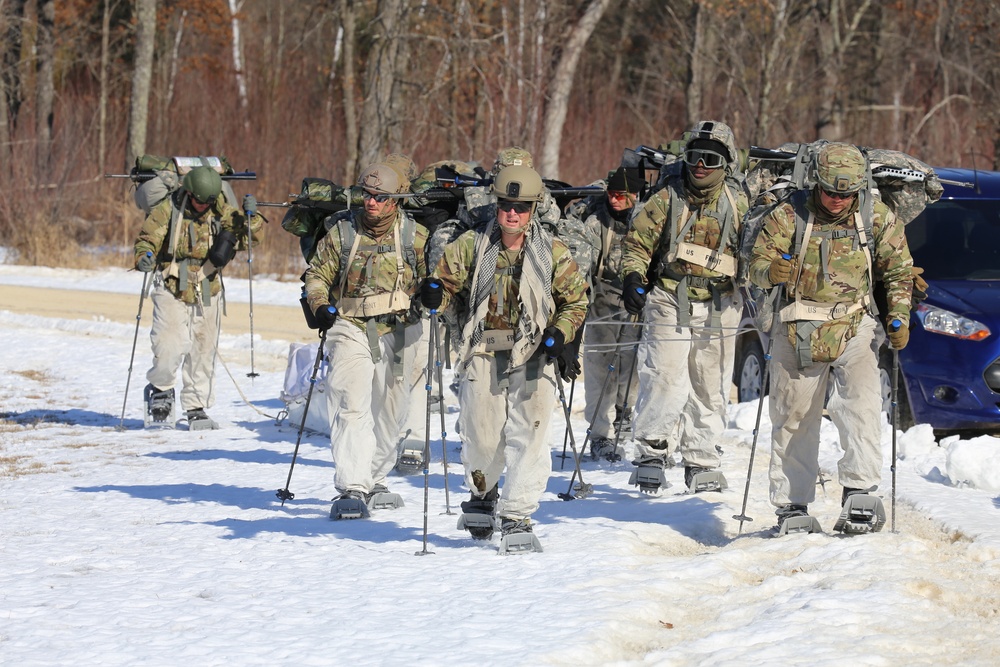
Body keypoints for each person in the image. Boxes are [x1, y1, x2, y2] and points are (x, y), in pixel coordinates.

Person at [420, 164, 588, 547]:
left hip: (534, 351)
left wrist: (559, 336)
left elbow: (576, 301)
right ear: (497, 205)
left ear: (533, 209)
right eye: (506, 205)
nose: (513, 214)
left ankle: (517, 514)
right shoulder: (472, 244)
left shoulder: (553, 252)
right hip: (484, 346)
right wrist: (433, 294)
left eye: (522, 207)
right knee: (482, 436)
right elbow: (445, 284)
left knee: (530, 434)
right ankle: (483, 493)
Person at [748, 142, 912, 532]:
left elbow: (898, 270)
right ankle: (792, 505)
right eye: (831, 192)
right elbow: (754, 266)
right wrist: (772, 272)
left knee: (863, 406)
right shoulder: (789, 215)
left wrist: (899, 315)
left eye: (847, 194)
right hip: (797, 325)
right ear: (816, 182)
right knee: (793, 416)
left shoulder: (876, 218)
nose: (838, 201)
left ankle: (860, 490)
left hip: (854, 324)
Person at [620, 120, 749, 493]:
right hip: (669, 296)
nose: (700, 166)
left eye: (710, 159)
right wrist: (633, 276)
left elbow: (758, 247)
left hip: (721, 301)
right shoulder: (667, 198)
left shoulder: (738, 203)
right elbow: (638, 242)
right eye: (694, 157)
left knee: (711, 384)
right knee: (663, 375)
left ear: (725, 164)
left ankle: (702, 455)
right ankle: (652, 450)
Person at [303, 161, 428, 518]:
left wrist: (434, 294)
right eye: (366, 195)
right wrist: (321, 305)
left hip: (401, 328)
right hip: (349, 324)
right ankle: (353, 486)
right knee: (350, 403)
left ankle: (374, 478)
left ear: (396, 201)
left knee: (391, 412)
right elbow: (316, 275)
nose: (370, 202)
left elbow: (436, 280)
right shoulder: (342, 233)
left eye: (379, 197)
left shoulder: (415, 237)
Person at [133, 165, 262, 429]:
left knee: (203, 350)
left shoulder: (221, 208)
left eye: (208, 201)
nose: (203, 206)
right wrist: (143, 257)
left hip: (208, 285)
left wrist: (252, 217)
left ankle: (196, 405)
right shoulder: (169, 208)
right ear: (188, 191)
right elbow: (147, 239)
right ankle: (160, 390)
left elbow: (250, 238)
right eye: (198, 200)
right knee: (169, 344)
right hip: (172, 283)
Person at [560, 166, 647, 461]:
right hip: (602, 301)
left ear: (637, 195)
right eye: (612, 194)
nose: (615, 200)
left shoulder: (650, 217)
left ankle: (626, 411)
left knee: (634, 368)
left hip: (641, 305)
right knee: (599, 370)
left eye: (623, 195)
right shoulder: (596, 221)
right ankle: (599, 434)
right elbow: (581, 266)